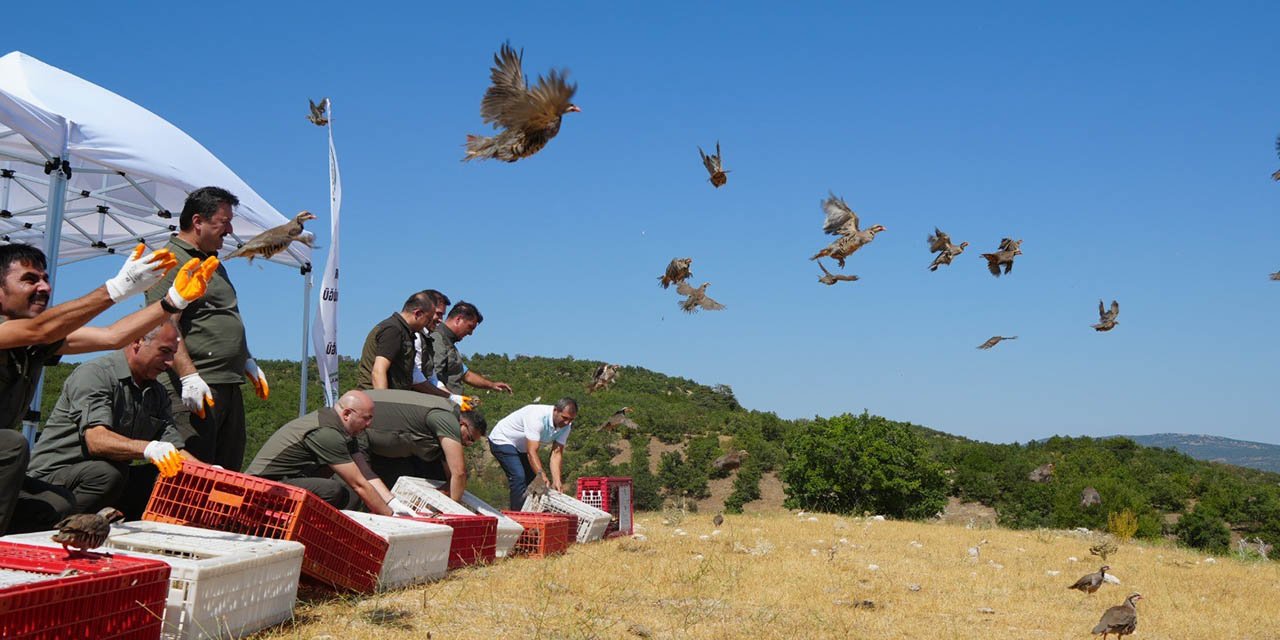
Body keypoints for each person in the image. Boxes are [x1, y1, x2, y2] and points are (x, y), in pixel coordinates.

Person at [0, 242, 216, 533]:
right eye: (29, 279)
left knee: (58, 505)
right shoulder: (30, 333)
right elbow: (42, 329)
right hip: (17, 454)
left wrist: (171, 302)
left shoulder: (33, 342)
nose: (44, 287)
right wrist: (115, 289)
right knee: (11, 444)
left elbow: (113, 337)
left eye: (45, 279)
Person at [146, 186, 269, 471]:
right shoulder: (172, 260)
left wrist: (246, 359)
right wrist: (189, 376)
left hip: (227, 383)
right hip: (194, 386)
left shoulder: (212, 261)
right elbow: (163, 323)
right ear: (198, 221)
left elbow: (220, 315)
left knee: (226, 473)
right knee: (193, 476)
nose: (230, 230)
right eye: (224, 222)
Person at [24, 324, 193, 521]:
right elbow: (96, 441)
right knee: (108, 474)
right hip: (52, 480)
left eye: (173, 354)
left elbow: (174, 448)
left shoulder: (157, 392)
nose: (170, 362)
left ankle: (125, 529)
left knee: (167, 477)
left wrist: (210, 473)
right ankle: (56, 525)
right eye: (164, 351)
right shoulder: (95, 374)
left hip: (106, 479)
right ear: (138, 341)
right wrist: (149, 448)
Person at [245, 390, 414, 516]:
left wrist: (393, 503)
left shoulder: (346, 432)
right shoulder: (327, 433)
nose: (369, 424)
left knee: (349, 490)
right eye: (366, 418)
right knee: (332, 490)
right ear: (347, 414)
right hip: (262, 486)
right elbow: (359, 484)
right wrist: (390, 516)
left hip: (289, 480)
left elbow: (366, 473)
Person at [361, 389, 487, 501]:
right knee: (359, 490)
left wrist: (441, 494)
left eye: (471, 443)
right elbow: (459, 472)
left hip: (382, 448)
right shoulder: (447, 419)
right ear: (463, 424)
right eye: (469, 438)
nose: (466, 444)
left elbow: (451, 478)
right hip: (360, 422)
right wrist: (454, 508)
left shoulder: (444, 433)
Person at [487, 398, 578, 510]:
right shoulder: (537, 417)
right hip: (503, 439)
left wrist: (557, 480)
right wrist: (542, 475)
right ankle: (518, 515)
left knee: (535, 481)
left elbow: (556, 453)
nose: (567, 422)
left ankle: (535, 511)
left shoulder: (566, 427)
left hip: (522, 447)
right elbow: (531, 452)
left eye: (571, 419)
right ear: (555, 410)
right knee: (519, 476)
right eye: (564, 418)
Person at [428, 301, 513, 395]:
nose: (470, 333)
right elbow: (433, 379)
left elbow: (466, 375)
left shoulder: (449, 344)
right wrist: (452, 398)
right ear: (458, 319)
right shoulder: (438, 339)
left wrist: (492, 385)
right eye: (470, 327)